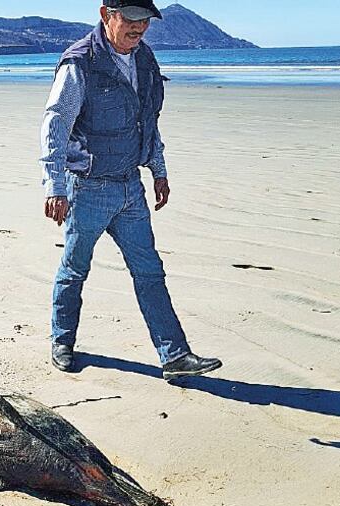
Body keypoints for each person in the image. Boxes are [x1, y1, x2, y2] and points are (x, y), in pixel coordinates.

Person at [40, 0, 221, 381]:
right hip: (87, 189)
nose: (140, 29)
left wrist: (158, 169)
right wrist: (54, 185)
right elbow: (55, 124)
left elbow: (147, 120)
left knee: (150, 272)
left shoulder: (144, 59)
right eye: (132, 20)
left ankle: (174, 356)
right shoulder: (79, 63)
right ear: (107, 15)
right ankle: (62, 341)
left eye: (146, 21)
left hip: (130, 190)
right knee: (75, 269)